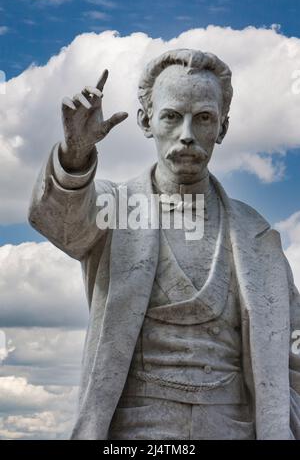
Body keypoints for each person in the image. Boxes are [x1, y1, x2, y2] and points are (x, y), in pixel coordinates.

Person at [28, 49, 300, 440]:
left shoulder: (256, 236)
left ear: (222, 128)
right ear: (146, 120)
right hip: (134, 430)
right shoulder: (115, 209)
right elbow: (59, 219)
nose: (187, 134)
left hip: (235, 427)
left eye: (203, 118)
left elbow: (293, 341)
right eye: (172, 116)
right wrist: (75, 156)